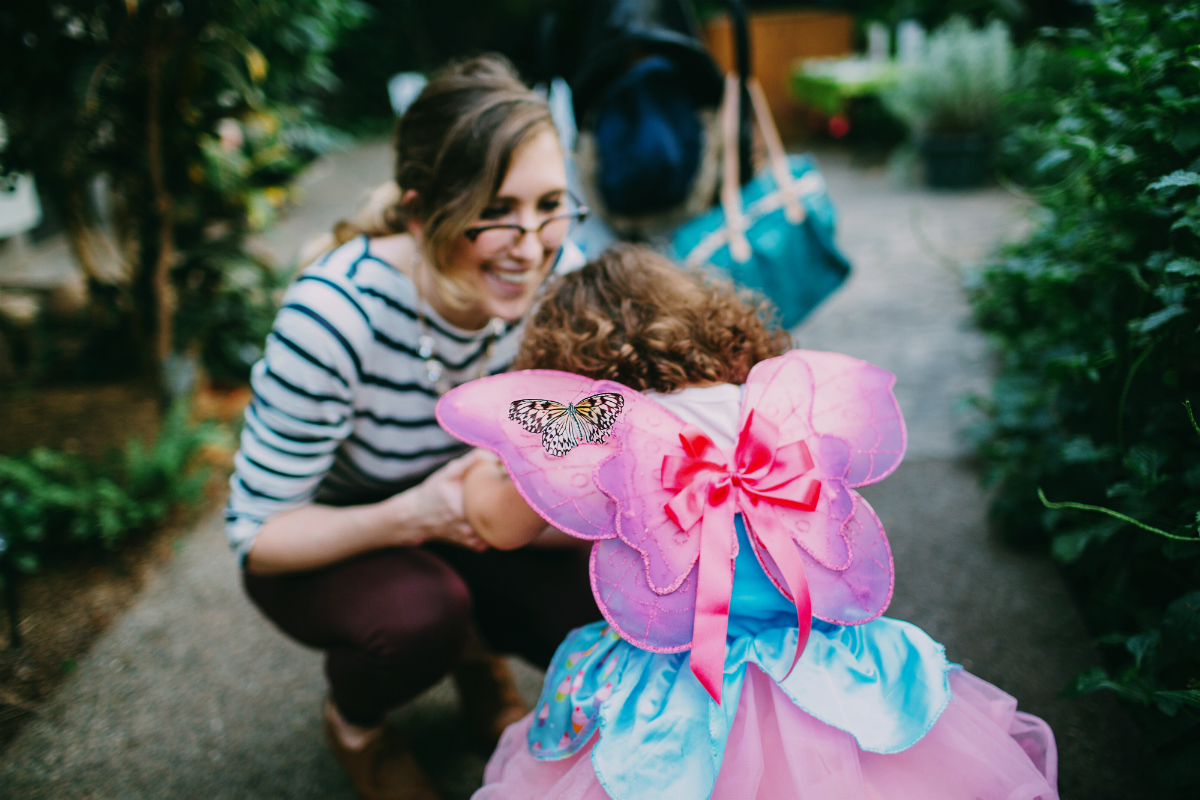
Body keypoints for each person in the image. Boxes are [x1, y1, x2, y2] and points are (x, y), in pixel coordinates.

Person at [435, 245, 1059, 800]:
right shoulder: (775, 406)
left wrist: (489, 463)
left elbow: (498, 525)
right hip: (817, 658)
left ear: (569, 370)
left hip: (678, 682)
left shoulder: (609, 429)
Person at [224, 55, 599, 800]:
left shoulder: (560, 278)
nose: (531, 246)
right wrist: (408, 516)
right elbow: (259, 538)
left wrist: (572, 506)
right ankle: (358, 726)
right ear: (425, 210)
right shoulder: (333, 316)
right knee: (416, 618)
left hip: (477, 504)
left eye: (550, 203)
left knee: (602, 600)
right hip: (336, 527)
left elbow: (577, 447)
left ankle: (476, 656)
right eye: (496, 211)